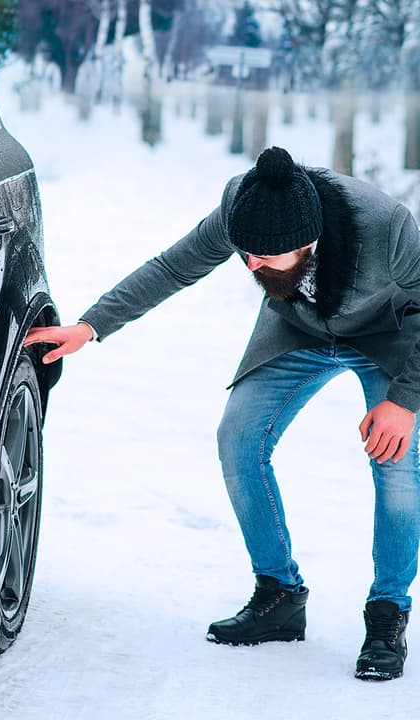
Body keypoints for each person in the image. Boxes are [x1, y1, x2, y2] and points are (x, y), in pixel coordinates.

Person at [25, 146, 419, 681]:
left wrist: (405, 400)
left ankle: (388, 613)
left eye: (263, 258)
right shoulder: (243, 205)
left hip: (386, 337)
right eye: (244, 254)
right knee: (238, 437)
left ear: (307, 242)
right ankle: (279, 593)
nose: (250, 265)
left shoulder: (386, 227)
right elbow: (172, 266)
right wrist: (91, 326)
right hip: (298, 332)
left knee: (396, 464)